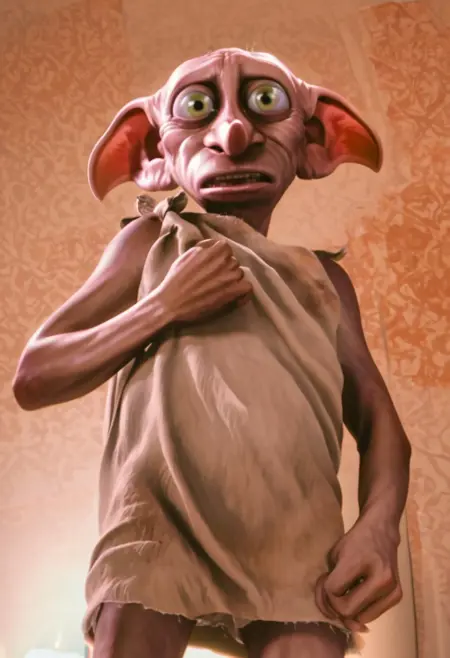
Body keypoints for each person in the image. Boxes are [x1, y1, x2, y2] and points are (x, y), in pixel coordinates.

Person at [14, 49, 411, 658]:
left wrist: (379, 526)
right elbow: (36, 373)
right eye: (197, 107)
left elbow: (380, 419)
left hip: (296, 537)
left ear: (316, 138)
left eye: (264, 103)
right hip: (157, 526)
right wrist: (161, 307)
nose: (233, 134)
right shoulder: (154, 241)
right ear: (152, 152)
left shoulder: (323, 280)